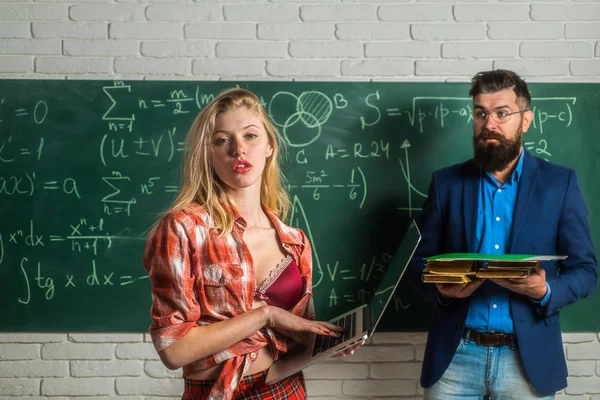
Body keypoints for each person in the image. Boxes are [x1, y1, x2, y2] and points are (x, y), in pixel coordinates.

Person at [143, 88, 357, 400]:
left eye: (251, 136)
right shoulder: (184, 228)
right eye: (222, 140)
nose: (238, 149)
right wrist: (264, 314)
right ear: (210, 153)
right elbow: (174, 350)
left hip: (285, 389)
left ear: (269, 146)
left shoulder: (294, 241)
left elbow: (295, 341)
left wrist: (330, 340)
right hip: (216, 392)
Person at [407, 69, 597, 399]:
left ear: (526, 120)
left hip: (527, 360)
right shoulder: (447, 184)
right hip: (455, 357)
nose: (489, 124)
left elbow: (586, 271)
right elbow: (415, 264)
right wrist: (442, 290)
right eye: (481, 113)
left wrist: (545, 290)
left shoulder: (560, 184)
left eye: (502, 113)